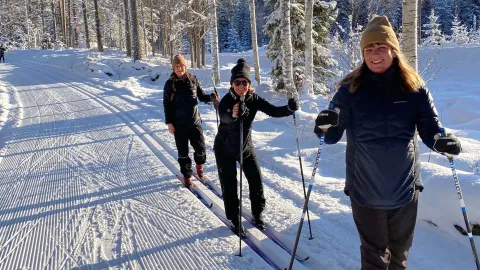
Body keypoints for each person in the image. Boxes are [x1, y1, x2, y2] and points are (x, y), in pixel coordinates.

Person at [313, 16, 462, 270]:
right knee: (374, 257)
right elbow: (331, 135)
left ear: (393, 50)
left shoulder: (414, 87)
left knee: (399, 256)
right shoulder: (350, 89)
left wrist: (442, 142)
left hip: (405, 188)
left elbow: (430, 128)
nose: (374, 54)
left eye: (380, 47)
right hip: (364, 188)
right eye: (368, 49)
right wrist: (324, 125)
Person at [214, 58, 300, 237]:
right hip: (225, 150)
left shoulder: (254, 99)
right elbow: (223, 115)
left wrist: (289, 109)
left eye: (244, 82)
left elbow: (273, 110)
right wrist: (233, 114)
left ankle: (257, 213)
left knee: (256, 181)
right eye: (237, 83)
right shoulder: (226, 101)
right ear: (232, 84)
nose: (241, 86)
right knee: (230, 185)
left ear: (249, 84)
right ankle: (234, 219)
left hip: (245, 147)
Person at [163, 54, 219, 187]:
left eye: (181, 66)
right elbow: (167, 104)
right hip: (179, 125)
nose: (179, 68)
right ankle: (187, 176)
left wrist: (211, 97)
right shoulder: (170, 84)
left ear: (185, 66)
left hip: (195, 122)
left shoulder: (193, 79)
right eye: (176, 66)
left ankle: (199, 168)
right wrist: (169, 122)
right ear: (173, 68)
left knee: (201, 149)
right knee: (183, 153)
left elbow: (201, 96)